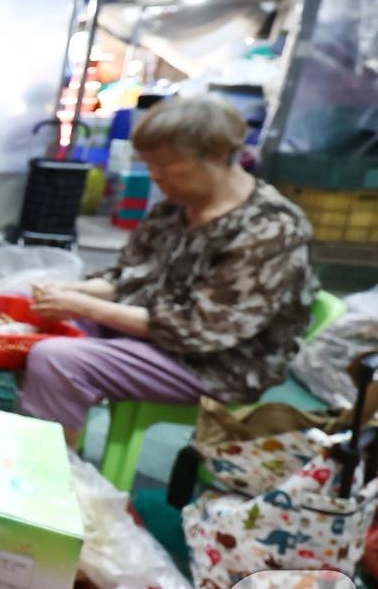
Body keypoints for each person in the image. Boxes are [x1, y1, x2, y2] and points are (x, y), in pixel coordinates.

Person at [20, 96, 317, 444]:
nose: (155, 176)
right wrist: (72, 292)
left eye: (167, 164)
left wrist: (84, 307)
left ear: (219, 155)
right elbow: (131, 275)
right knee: (23, 308)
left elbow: (199, 330)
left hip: (217, 364)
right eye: (149, 164)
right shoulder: (175, 208)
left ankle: (53, 470)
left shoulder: (270, 229)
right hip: (152, 335)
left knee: (56, 358)